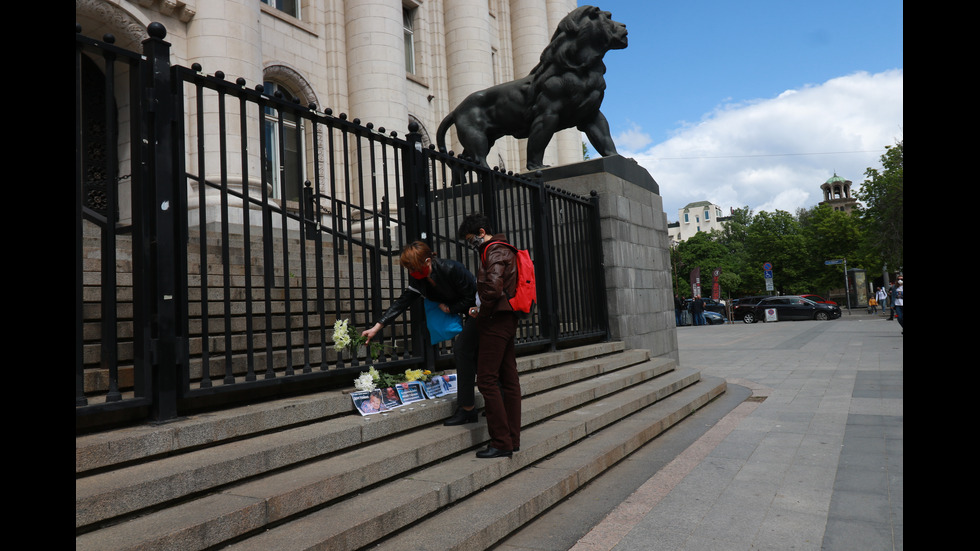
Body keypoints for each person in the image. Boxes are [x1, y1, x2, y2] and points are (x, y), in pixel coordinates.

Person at [361, 240, 480, 426]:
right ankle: (470, 408)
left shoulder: (452, 268)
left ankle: (476, 407)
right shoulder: (419, 279)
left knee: (467, 353)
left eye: (414, 268)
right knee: (470, 355)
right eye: (409, 269)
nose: (412, 273)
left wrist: (451, 308)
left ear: (427, 261)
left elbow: (473, 295)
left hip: (479, 312)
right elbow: (402, 302)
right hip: (464, 312)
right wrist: (377, 327)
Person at [458, 213, 520, 458]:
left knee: (486, 380)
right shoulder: (506, 249)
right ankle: (511, 440)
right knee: (509, 380)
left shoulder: (493, 250)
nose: (471, 243)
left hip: (495, 320)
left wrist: (479, 307)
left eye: (471, 238)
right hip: (507, 317)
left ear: (482, 232)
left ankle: (501, 443)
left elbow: (493, 288)